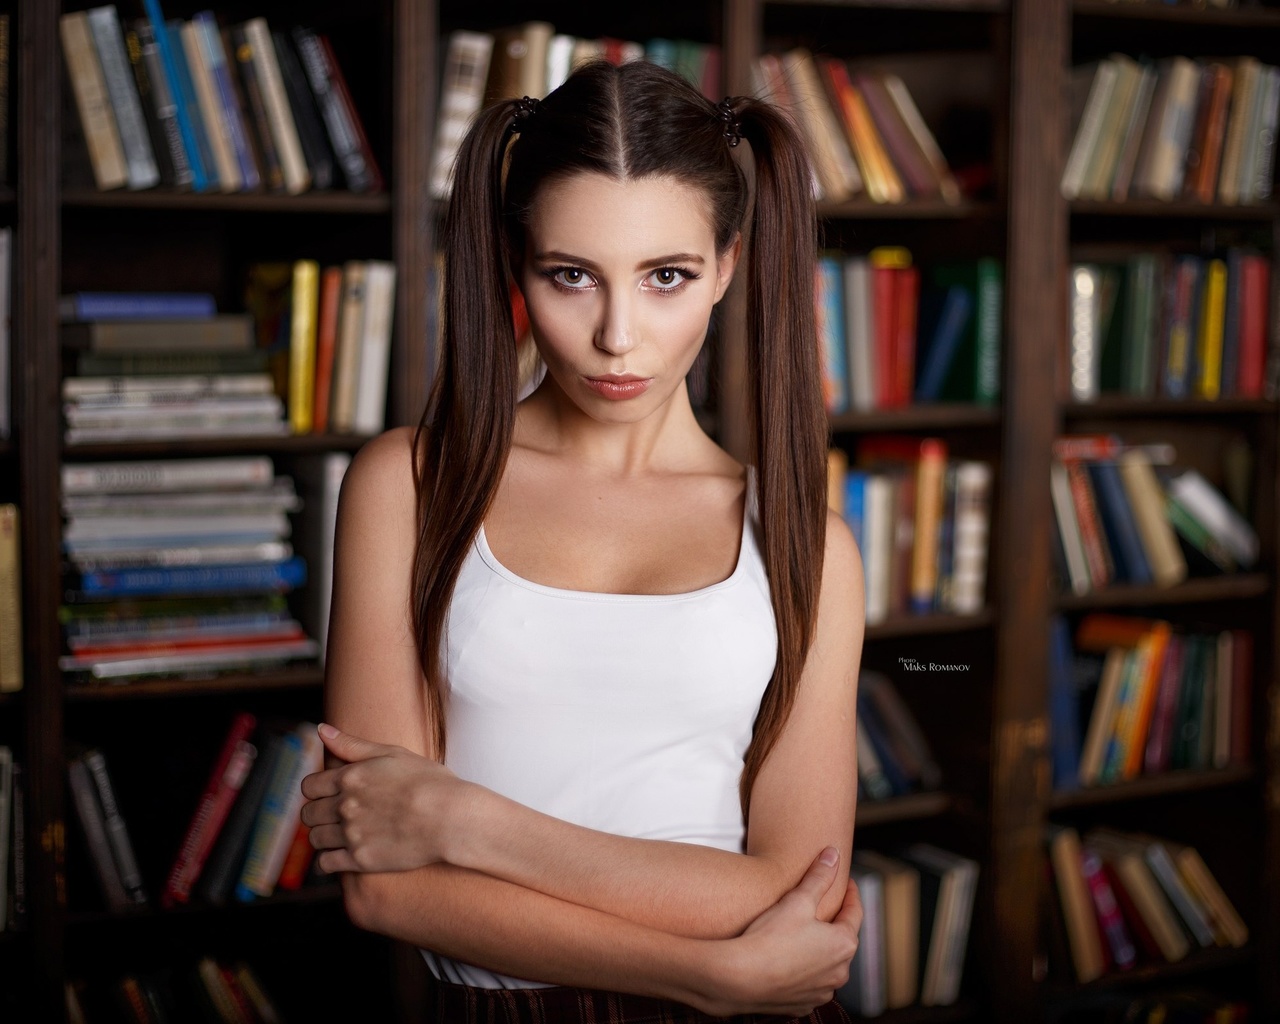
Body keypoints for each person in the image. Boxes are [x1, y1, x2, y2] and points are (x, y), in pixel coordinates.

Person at [298, 57, 867, 1023]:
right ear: (518, 265)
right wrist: (703, 973)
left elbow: (791, 891)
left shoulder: (808, 543)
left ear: (727, 266)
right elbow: (387, 883)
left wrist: (466, 820)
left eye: (666, 277)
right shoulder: (412, 484)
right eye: (572, 276)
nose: (617, 336)